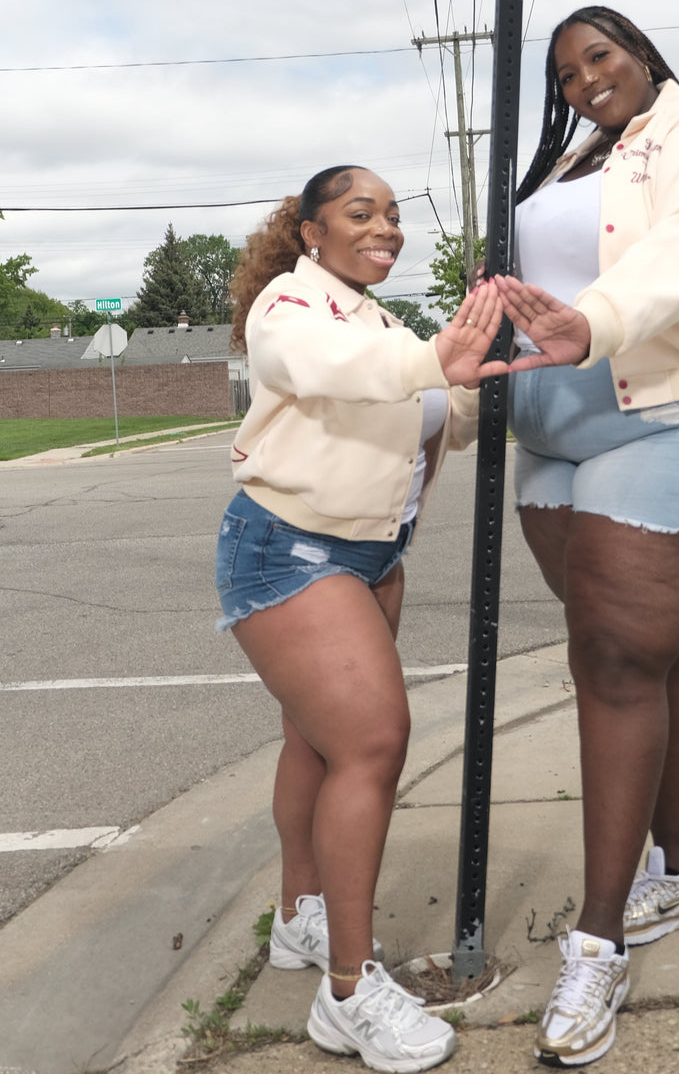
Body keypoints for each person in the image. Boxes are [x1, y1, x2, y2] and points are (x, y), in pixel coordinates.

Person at [491, 7, 679, 1067]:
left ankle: (598, 938)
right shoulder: (571, 159)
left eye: (601, 57)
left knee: (617, 660)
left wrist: (599, 320)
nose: (584, 81)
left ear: (643, 58)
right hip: (557, 424)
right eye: (568, 73)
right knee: (639, 653)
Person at [216, 165, 509, 1073]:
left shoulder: (385, 325)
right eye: (360, 213)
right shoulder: (289, 310)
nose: (384, 228)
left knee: (318, 744)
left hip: (372, 559)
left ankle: (300, 915)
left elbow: (443, 414)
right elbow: (328, 373)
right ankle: (347, 991)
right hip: (289, 549)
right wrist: (435, 359)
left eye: (391, 216)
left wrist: (487, 354)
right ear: (311, 231)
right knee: (374, 743)